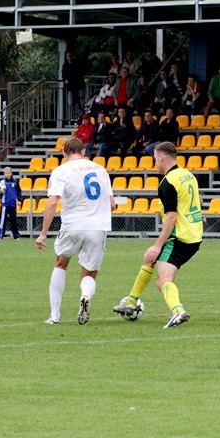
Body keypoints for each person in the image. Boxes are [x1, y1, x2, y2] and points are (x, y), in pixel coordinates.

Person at [113, 142, 203, 328]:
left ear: (162, 157)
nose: (154, 161)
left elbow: (170, 217)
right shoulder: (188, 174)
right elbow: (200, 199)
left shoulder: (167, 183)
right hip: (194, 236)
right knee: (149, 261)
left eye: (155, 157)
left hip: (178, 238)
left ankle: (178, 311)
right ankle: (130, 302)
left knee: (163, 280)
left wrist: (158, 244)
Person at [36, 137, 116, 325]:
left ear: (64, 153)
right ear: (83, 151)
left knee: (61, 263)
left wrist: (43, 233)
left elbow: (53, 202)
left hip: (73, 225)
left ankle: (55, 315)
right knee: (89, 272)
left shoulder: (61, 171)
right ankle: (85, 296)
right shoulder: (100, 169)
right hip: (97, 227)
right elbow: (112, 204)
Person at [0, 166, 24, 240]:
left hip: (13, 204)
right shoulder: (2, 183)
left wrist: (19, 200)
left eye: (9, 173)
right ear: (4, 174)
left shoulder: (15, 182)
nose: (7, 174)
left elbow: (19, 192)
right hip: (4, 204)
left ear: (11, 173)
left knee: (13, 220)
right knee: (2, 220)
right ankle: (0, 236)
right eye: (6, 173)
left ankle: (16, 236)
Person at [62, 51, 86, 119]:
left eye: (70, 56)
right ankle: (78, 112)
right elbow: (63, 75)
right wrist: (65, 79)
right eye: (68, 56)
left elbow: (78, 73)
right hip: (71, 87)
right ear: (66, 57)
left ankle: (81, 116)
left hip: (80, 85)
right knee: (71, 102)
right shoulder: (65, 65)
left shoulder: (77, 63)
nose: (69, 57)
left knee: (81, 101)